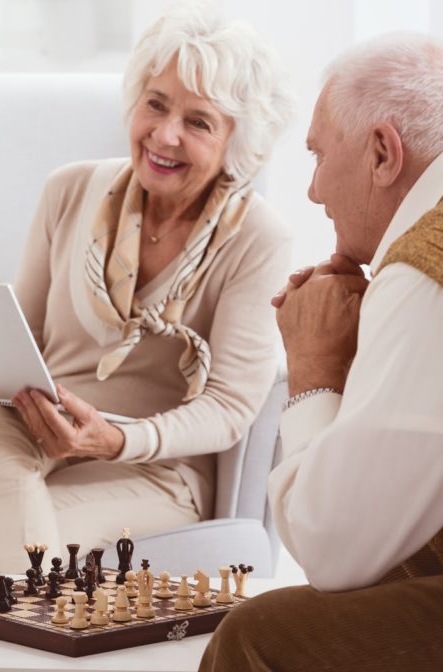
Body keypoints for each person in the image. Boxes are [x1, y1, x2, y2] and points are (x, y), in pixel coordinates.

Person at [0, 3, 294, 573]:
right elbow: (23, 345)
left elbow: (230, 408)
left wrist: (115, 442)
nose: (164, 136)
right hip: (33, 443)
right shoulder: (68, 191)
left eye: (198, 122)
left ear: (238, 142)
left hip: (154, 473)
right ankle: (35, 642)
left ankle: (1, 642)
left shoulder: (257, 237)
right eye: (156, 104)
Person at [201, 33, 443, 671]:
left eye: (317, 155)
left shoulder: (423, 270)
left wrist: (313, 371)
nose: (312, 191)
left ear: (384, 153)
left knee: (261, 632)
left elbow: (336, 551)